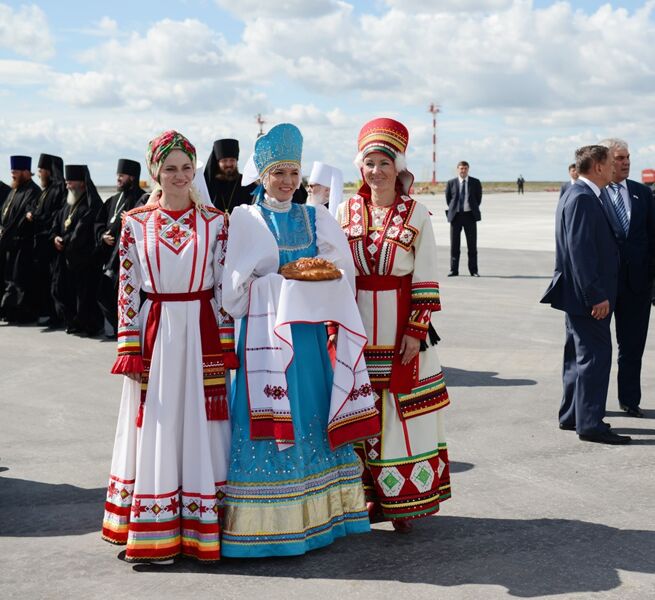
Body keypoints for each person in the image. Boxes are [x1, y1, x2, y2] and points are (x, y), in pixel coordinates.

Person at [221, 123, 379, 558]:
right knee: (275, 417)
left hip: (308, 339)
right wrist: (275, 286)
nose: (288, 181)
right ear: (263, 174)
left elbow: (344, 275)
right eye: (279, 173)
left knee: (311, 409)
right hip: (266, 340)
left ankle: (323, 518)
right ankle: (270, 525)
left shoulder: (317, 217)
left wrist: (314, 282)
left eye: (294, 172)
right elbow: (231, 294)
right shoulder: (246, 219)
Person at [101, 130, 237, 564]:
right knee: (156, 424)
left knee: (202, 423)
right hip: (156, 333)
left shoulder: (217, 221)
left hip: (201, 332)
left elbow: (222, 288)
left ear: (195, 169)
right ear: (155, 171)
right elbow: (126, 287)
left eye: (186, 167)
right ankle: (153, 529)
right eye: (169, 168)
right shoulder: (134, 222)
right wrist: (129, 345)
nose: (179, 176)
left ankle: (203, 529)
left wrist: (227, 340)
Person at [338, 117, 451, 533]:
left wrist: (416, 331)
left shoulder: (417, 214)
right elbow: (337, 273)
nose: (376, 171)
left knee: (398, 414)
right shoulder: (344, 210)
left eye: (384, 163)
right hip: (357, 329)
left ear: (397, 167)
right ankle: (366, 496)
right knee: (360, 409)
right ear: (360, 168)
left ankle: (402, 500)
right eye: (369, 163)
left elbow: (425, 275)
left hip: (399, 329)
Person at [541, 145, 629, 444]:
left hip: (578, 295)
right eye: (610, 163)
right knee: (595, 357)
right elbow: (580, 252)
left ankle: (572, 415)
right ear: (599, 167)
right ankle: (590, 423)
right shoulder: (582, 198)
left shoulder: (576, 193)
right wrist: (596, 295)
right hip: (589, 297)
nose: (615, 169)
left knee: (576, 357)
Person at [599, 138, 655, 418]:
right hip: (603, 287)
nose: (626, 162)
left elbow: (652, 239)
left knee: (632, 346)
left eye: (628, 157)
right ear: (606, 161)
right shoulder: (594, 194)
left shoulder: (642, 194)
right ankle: (592, 405)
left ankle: (630, 400)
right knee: (597, 349)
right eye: (620, 158)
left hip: (637, 286)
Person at [50, 165, 104, 336]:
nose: (67, 185)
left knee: (84, 296)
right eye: (66, 182)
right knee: (63, 291)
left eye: (71, 182)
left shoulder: (91, 205)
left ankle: (89, 325)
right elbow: (57, 224)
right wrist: (55, 238)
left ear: (82, 183)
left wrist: (64, 241)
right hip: (66, 258)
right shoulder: (68, 205)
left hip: (84, 259)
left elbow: (82, 231)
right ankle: (73, 322)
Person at [95, 159, 146, 337]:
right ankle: (117, 328)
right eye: (117, 175)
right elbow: (99, 222)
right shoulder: (113, 200)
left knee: (124, 297)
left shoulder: (142, 199)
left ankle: (125, 330)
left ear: (132, 177)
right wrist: (102, 236)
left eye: (121, 176)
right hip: (110, 259)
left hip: (127, 261)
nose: (118, 179)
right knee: (103, 294)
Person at [0, 155, 41, 323]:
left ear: (25, 172)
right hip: (9, 242)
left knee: (20, 281)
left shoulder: (33, 191)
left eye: (15, 172)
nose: (13, 176)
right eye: (11, 173)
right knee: (9, 278)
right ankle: (8, 312)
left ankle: (22, 314)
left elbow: (23, 218)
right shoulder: (14, 190)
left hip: (23, 243)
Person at [28, 153, 66, 326]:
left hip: (51, 244)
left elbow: (54, 216)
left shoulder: (58, 190)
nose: (38, 174)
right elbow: (36, 207)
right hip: (42, 244)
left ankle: (57, 316)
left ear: (49, 172)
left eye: (41, 170)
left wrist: (36, 217)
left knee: (55, 282)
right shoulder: (46, 191)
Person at [445, 160, 482, 276]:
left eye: (465, 168)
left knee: (472, 246)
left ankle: (474, 270)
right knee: (454, 245)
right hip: (456, 217)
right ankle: (454, 270)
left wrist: (471, 209)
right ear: (458, 169)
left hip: (470, 216)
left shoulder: (475, 182)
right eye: (461, 168)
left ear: (468, 169)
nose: (463, 170)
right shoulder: (451, 183)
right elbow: (448, 199)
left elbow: (478, 199)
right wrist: (454, 209)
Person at [203, 138, 256, 213]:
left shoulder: (247, 184)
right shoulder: (208, 185)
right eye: (224, 161)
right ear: (218, 163)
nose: (228, 164)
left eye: (232, 160)